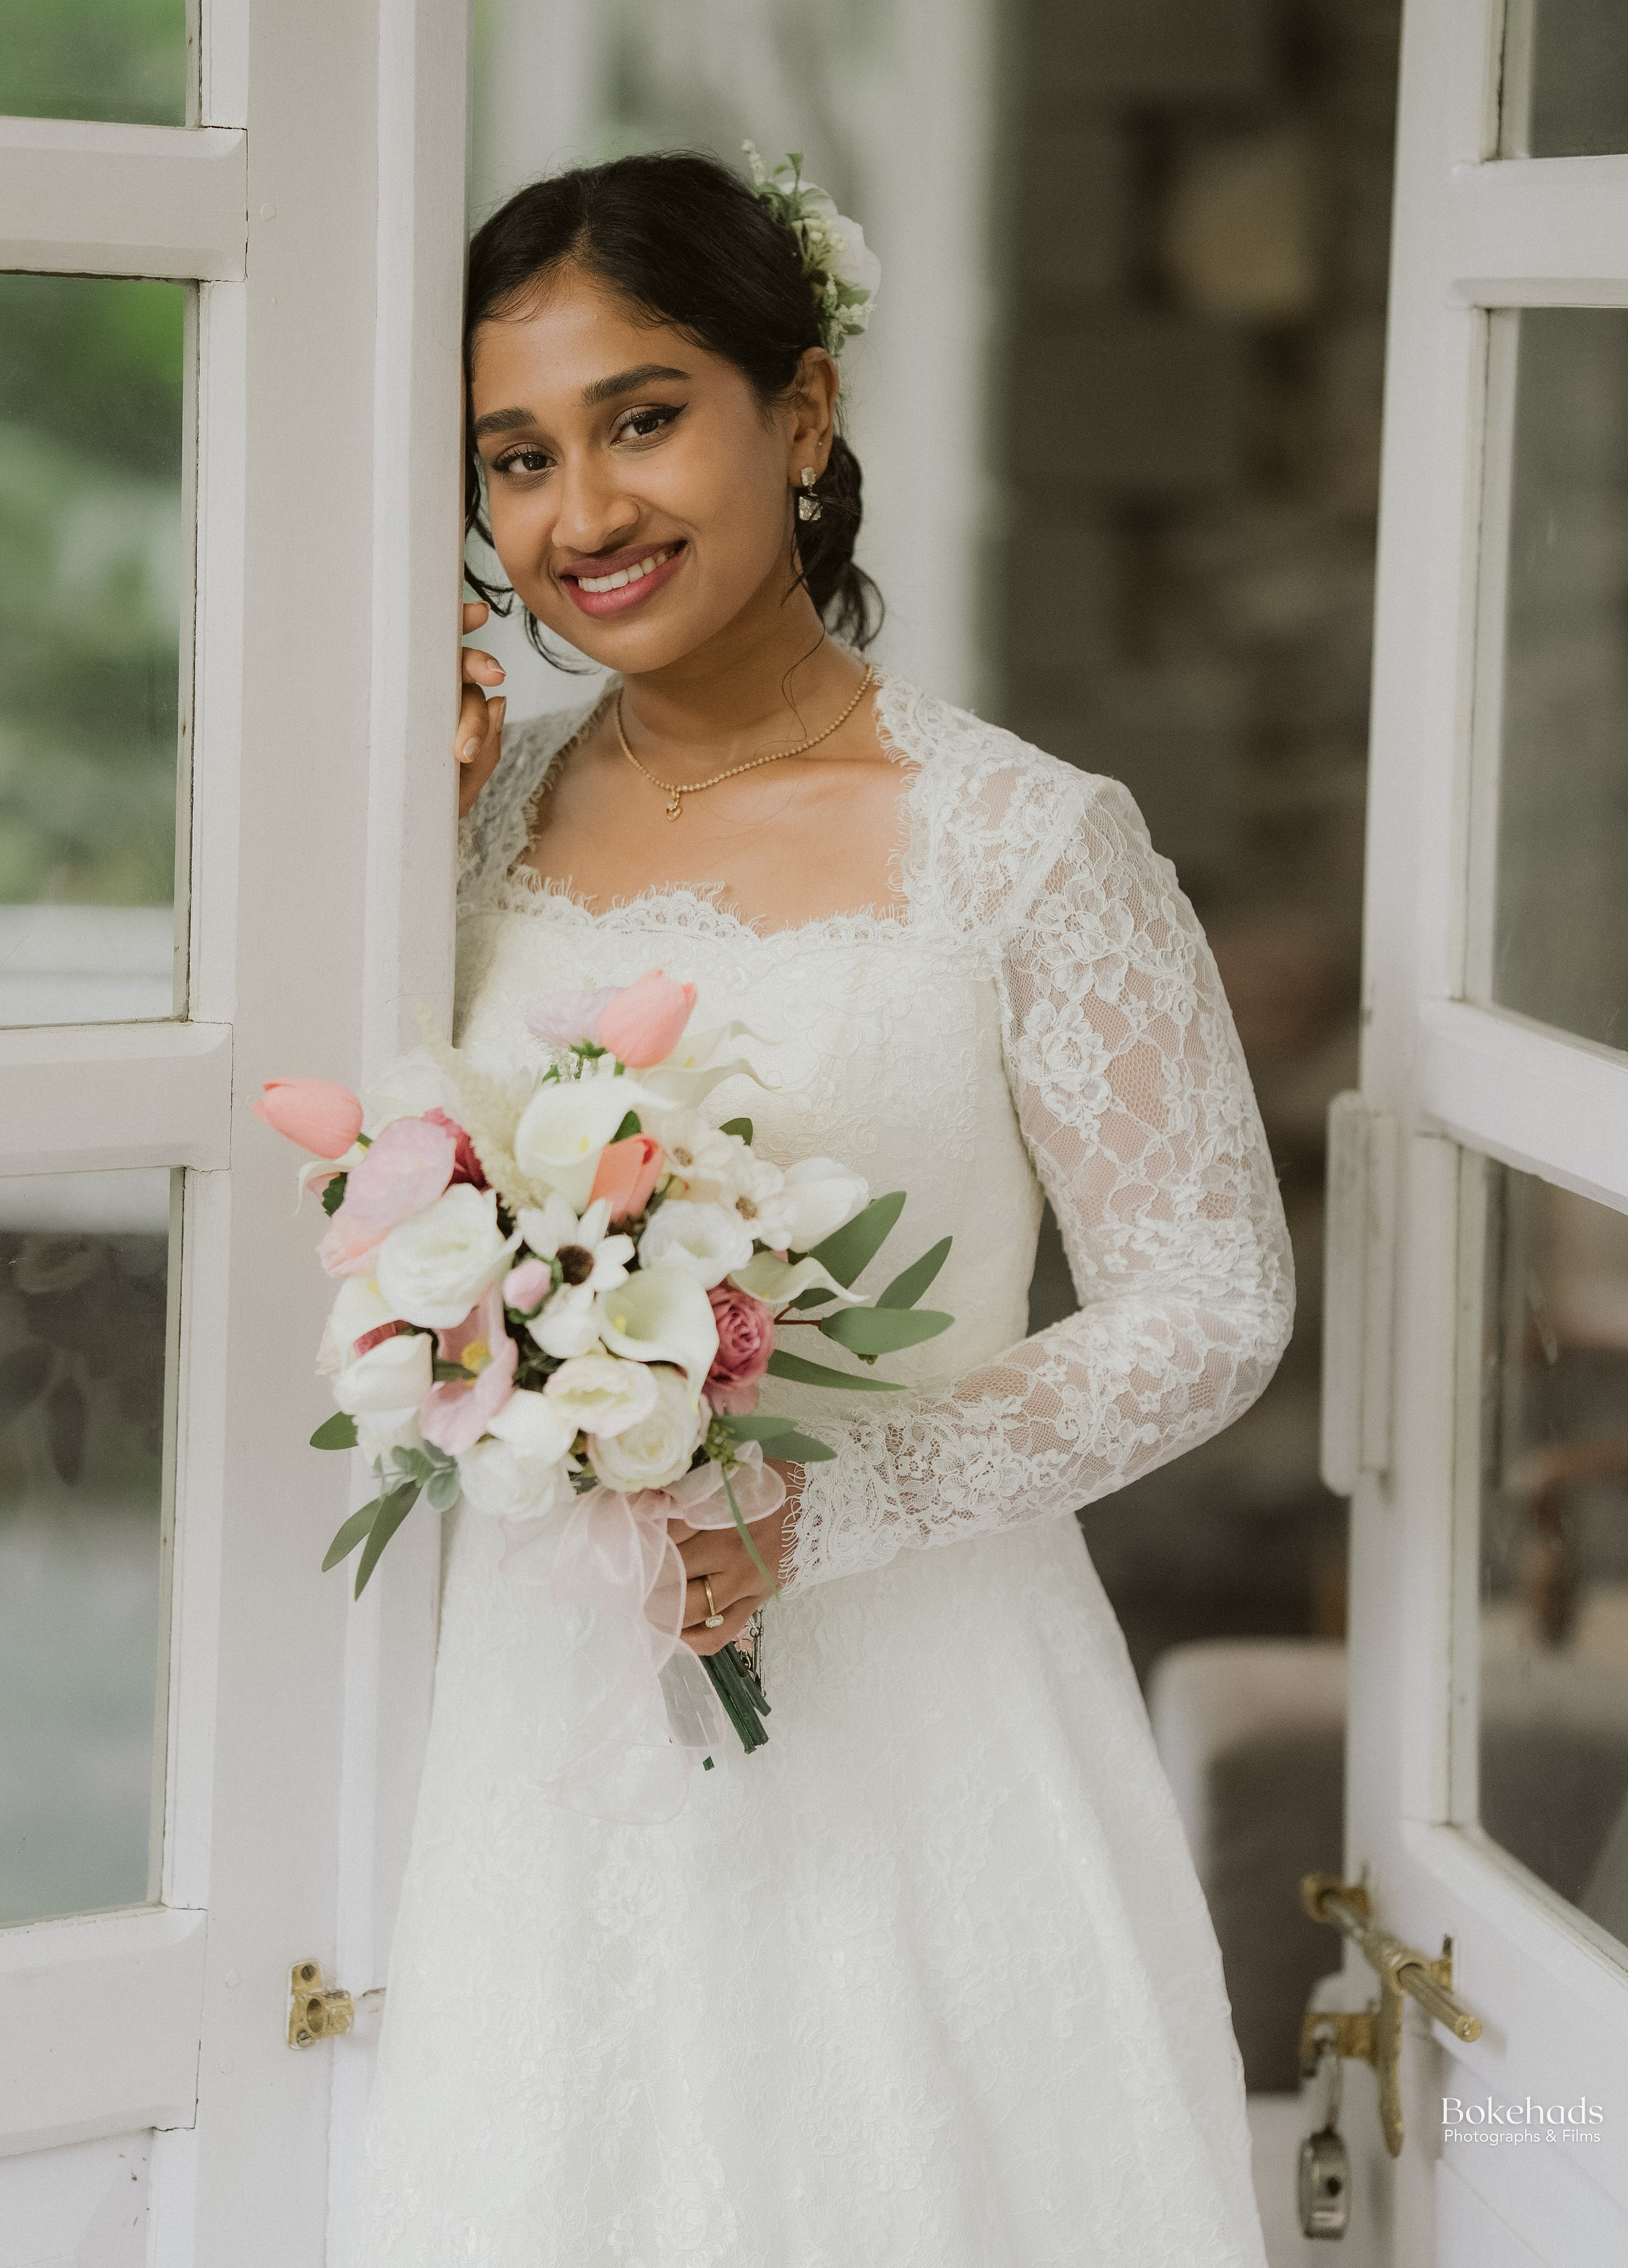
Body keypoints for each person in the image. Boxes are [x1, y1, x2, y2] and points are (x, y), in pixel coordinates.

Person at [354, 150, 1294, 2267]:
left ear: (801, 412)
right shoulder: (478, 814)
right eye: (518, 457)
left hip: (912, 1693)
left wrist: (823, 1510)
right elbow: (376, 1180)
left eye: (643, 417)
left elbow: (1212, 1296)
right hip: (544, 1706)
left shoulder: (1024, 842)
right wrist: (394, 842)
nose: (582, 512)